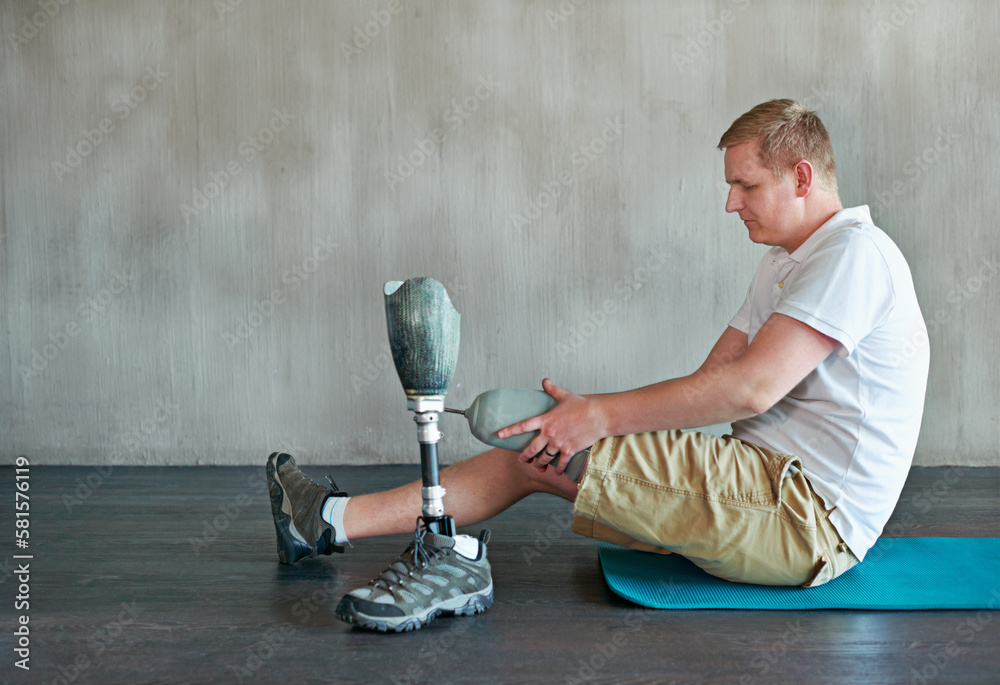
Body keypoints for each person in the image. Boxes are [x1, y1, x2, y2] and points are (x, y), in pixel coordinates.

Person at [266, 99, 930, 632]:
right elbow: (712, 381)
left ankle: (433, 562)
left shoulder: (854, 256)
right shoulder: (785, 262)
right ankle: (328, 518)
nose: (731, 203)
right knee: (540, 444)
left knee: (548, 432)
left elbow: (751, 388)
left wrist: (602, 417)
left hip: (801, 516)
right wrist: (588, 422)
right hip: (757, 489)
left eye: (745, 184)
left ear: (803, 177)